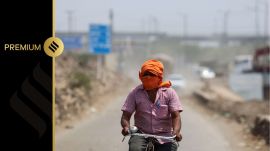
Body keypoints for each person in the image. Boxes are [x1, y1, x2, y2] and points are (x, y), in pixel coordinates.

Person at [120, 59, 183, 151]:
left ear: (159, 76)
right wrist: (126, 127)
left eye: (152, 74)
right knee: (135, 149)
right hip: (141, 133)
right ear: (141, 76)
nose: (148, 77)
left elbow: (176, 116)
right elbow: (126, 115)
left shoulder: (170, 93)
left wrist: (176, 132)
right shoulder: (135, 93)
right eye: (145, 74)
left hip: (165, 136)